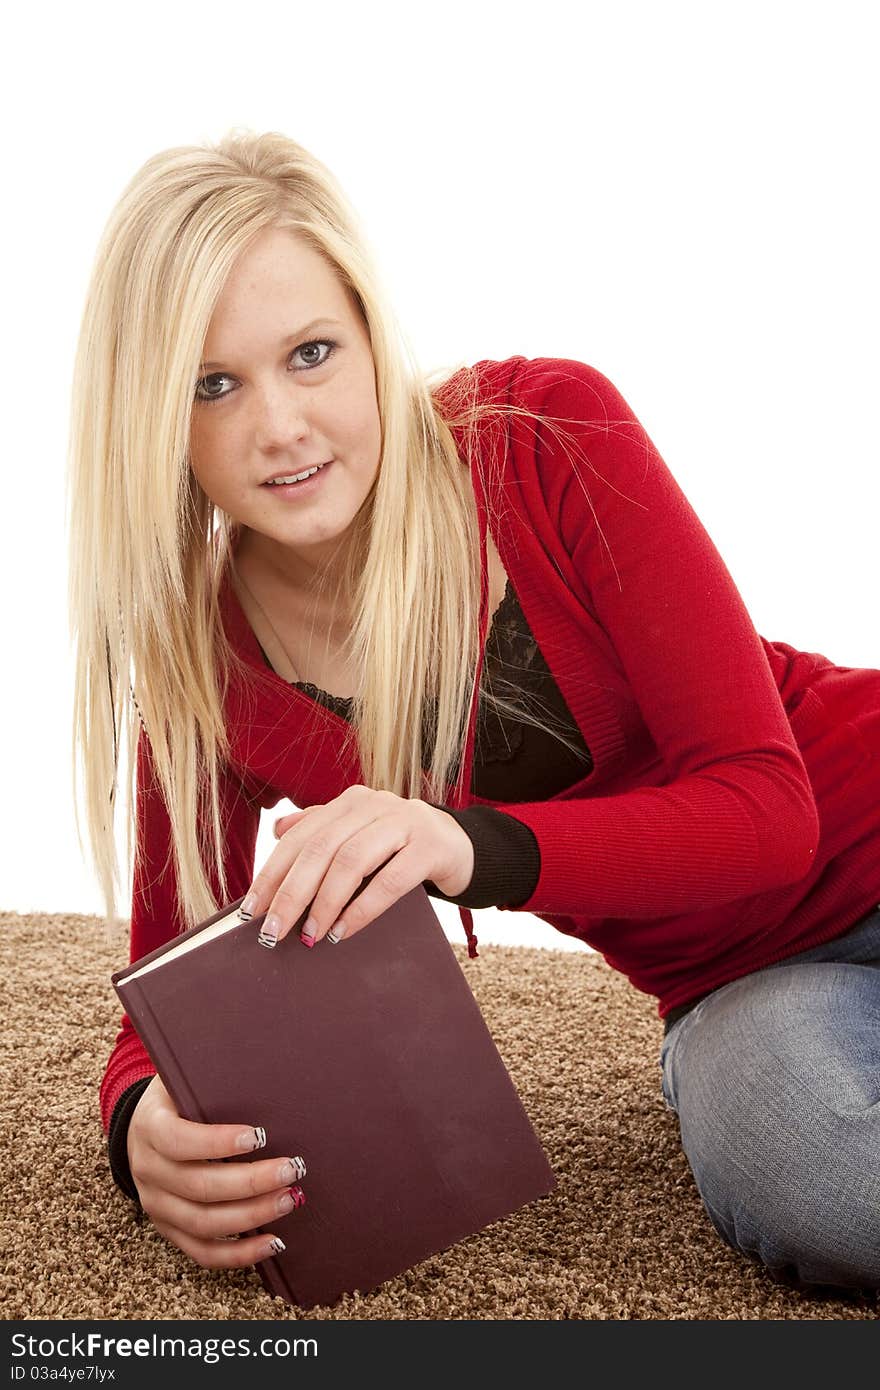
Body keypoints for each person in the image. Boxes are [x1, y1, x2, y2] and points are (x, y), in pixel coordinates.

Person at [67, 128, 880, 1295]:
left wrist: (462, 844)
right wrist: (139, 1125)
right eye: (212, 384)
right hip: (742, 985)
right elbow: (163, 988)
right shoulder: (203, 669)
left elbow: (767, 810)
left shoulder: (546, 435)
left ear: (367, 336)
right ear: (150, 418)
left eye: (310, 354)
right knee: (818, 1177)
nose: (282, 427)